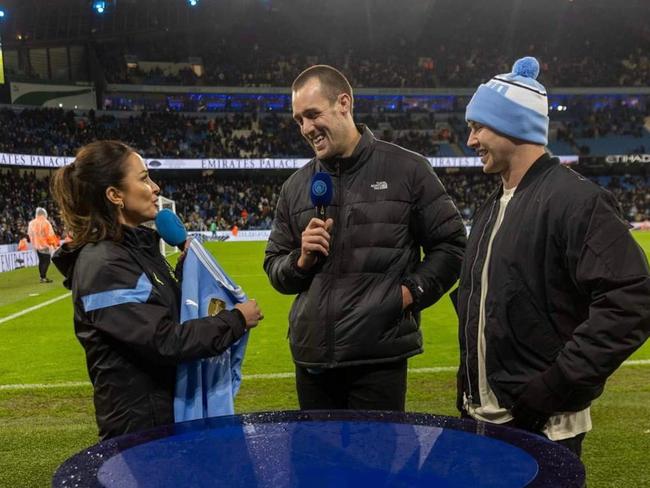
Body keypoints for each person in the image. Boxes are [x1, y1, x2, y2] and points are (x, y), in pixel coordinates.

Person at [455, 57, 650, 457]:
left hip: (542, 428)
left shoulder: (577, 200)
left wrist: (555, 385)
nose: (471, 141)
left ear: (512, 125)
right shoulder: (496, 203)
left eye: (478, 127)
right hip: (482, 421)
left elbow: (632, 300)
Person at [264, 65, 466, 411]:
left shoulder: (408, 170)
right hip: (312, 360)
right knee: (319, 465)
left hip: (378, 361)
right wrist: (300, 261)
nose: (306, 128)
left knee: (378, 464)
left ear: (344, 103)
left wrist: (406, 295)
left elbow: (451, 245)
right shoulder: (295, 187)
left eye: (313, 115)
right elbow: (274, 267)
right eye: (299, 120)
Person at [50, 141, 263, 440]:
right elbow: (164, 341)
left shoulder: (136, 250)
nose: (156, 187)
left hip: (164, 418)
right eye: (144, 178)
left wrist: (184, 274)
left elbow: (161, 315)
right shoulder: (104, 265)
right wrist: (236, 320)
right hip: (140, 432)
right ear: (115, 195)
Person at [27, 207, 57, 283]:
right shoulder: (46, 222)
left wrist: (33, 243)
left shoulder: (31, 223)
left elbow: (29, 234)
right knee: (46, 261)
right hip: (44, 245)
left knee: (41, 261)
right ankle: (43, 277)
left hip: (36, 246)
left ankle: (42, 277)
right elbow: (50, 235)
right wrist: (53, 244)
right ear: (44, 214)